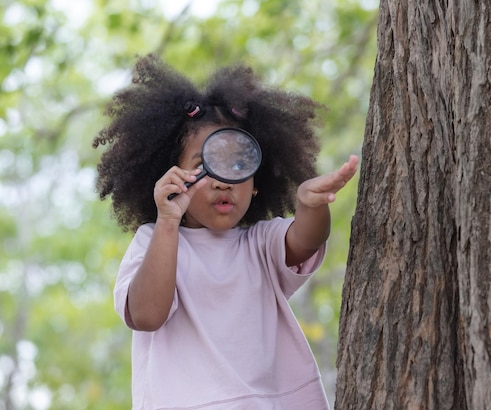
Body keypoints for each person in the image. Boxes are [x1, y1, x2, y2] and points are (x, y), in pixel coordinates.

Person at [92, 54, 359, 410]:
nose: (222, 181)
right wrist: (168, 221)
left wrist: (311, 204)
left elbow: (305, 240)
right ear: (171, 175)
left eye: (238, 165)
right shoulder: (154, 241)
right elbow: (147, 315)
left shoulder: (260, 243)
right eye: (205, 165)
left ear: (257, 183)